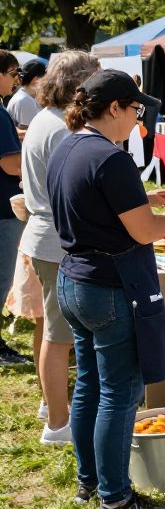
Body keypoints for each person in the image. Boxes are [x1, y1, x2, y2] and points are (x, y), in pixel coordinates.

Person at [47, 68, 165, 509]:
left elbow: (91, 201)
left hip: (74, 280)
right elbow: (145, 231)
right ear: (113, 108)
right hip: (109, 287)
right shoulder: (110, 158)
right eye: (135, 110)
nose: (138, 119)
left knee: (91, 383)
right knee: (119, 393)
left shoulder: (67, 146)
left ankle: (89, 482)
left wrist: (143, 195)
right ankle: (115, 500)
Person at [20, 50, 100, 445]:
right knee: (58, 334)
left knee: (51, 329)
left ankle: (51, 406)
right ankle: (57, 423)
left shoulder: (44, 120)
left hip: (46, 235)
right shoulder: (59, 127)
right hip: (57, 239)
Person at [0, 50, 28, 366]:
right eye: (12, 72)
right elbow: (8, 163)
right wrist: (34, 162)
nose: (16, 79)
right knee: (2, 277)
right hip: (3, 208)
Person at [8, 59, 46, 129]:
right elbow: (29, 132)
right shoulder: (24, 100)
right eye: (45, 79)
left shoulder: (25, 96)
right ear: (36, 80)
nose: (47, 83)